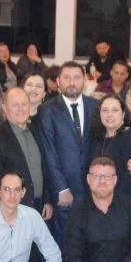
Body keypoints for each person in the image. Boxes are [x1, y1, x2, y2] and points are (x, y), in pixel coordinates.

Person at [0, 86, 57, 222]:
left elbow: (44, 169)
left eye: (24, 104)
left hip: (40, 207)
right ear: (4, 108)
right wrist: (3, 216)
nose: (21, 109)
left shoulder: (37, 131)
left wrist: (47, 200)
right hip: (13, 211)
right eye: (15, 105)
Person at [43, 61, 100, 235]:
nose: (72, 82)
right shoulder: (47, 110)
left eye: (76, 77)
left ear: (84, 81)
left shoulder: (96, 107)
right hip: (64, 193)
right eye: (67, 78)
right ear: (58, 81)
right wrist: (61, 188)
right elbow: (49, 152)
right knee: (64, 242)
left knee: (90, 241)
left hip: (93, 189)